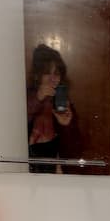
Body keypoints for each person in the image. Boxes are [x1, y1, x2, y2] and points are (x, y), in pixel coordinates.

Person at [26, 43, 81, 174]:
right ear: (37, 75)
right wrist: (37, 98)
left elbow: (74, 151)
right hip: (26, 172)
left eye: (56, 73)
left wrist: (66, 126)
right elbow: (14, 128)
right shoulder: (24, 99)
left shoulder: (64, 105)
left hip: (56, 173)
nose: (52, 79)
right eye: (46, 73)